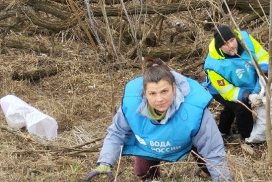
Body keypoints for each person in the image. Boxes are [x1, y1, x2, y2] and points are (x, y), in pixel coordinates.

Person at [84, 58, 232, 181]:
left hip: (186, 139)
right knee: (142, 172)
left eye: (164, 91)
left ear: (174, 88)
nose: (159, 99)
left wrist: (223, 179)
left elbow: (213, 149)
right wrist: (105, 161)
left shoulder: (194, 108)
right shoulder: (132, 105)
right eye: (152, 93)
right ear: (144, 93)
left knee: (209, 165)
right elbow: (117, 132)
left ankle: (205, 172)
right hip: (151, 143)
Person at [203, 25, 270, 142]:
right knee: (242, 107)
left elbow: (263, 57)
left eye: (232, 40)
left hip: (242, 82)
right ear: (220, 47)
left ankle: (222, 130)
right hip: (220, 90)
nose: (231, 46)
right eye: (225, 44)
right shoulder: (214, 65)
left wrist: (263, 75)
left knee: (231, 108)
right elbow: (228, 92)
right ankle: (247, 137)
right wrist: (248, 96)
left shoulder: (246, 40)